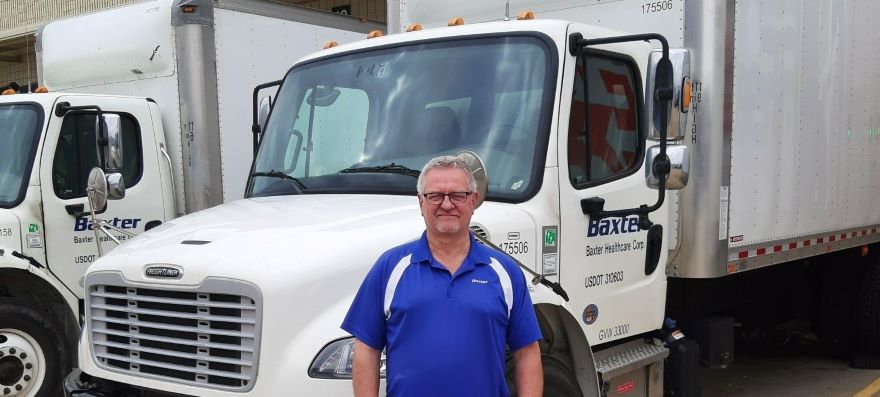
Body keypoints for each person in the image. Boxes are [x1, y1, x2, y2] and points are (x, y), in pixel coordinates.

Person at [341, 155, 543, 397]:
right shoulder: (390, 267)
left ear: (473, 200)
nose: (447, 204)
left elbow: (527, 351)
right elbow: (366, 348)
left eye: (457, 195)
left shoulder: (504, 271)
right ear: (420, 203)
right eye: (435, 195)